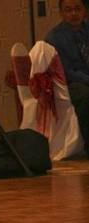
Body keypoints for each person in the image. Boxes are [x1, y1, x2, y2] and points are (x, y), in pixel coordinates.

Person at [45, 0, 89, 157]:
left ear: (85, 10)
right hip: (68, 85)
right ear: (61, 13)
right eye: (68, 10)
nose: (73, 14)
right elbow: (66, 71)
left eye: (78, 9)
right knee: (84, 94)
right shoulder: (54, 37)